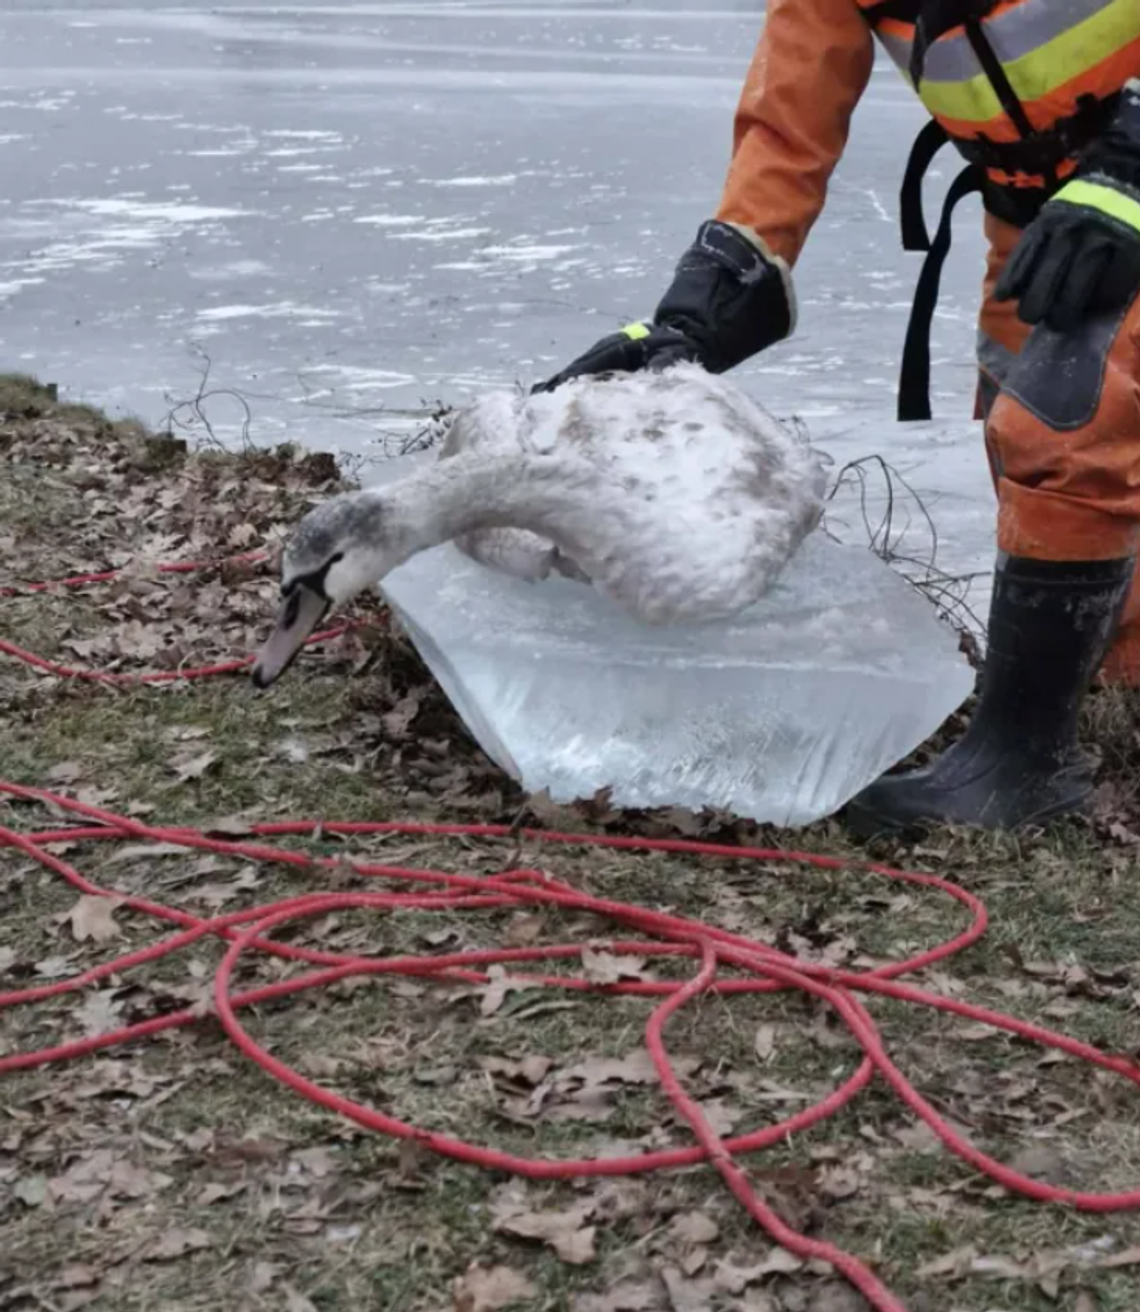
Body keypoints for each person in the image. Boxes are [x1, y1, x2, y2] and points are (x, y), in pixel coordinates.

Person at [535, 2, 1140, 836]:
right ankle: (1120, 707)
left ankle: (1022, 767)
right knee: (1038, 462)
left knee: (1065, 421)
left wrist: (1129, 170)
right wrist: (690, 321)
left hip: (1119, 189)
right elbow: (784, 139)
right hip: (1044, 219)